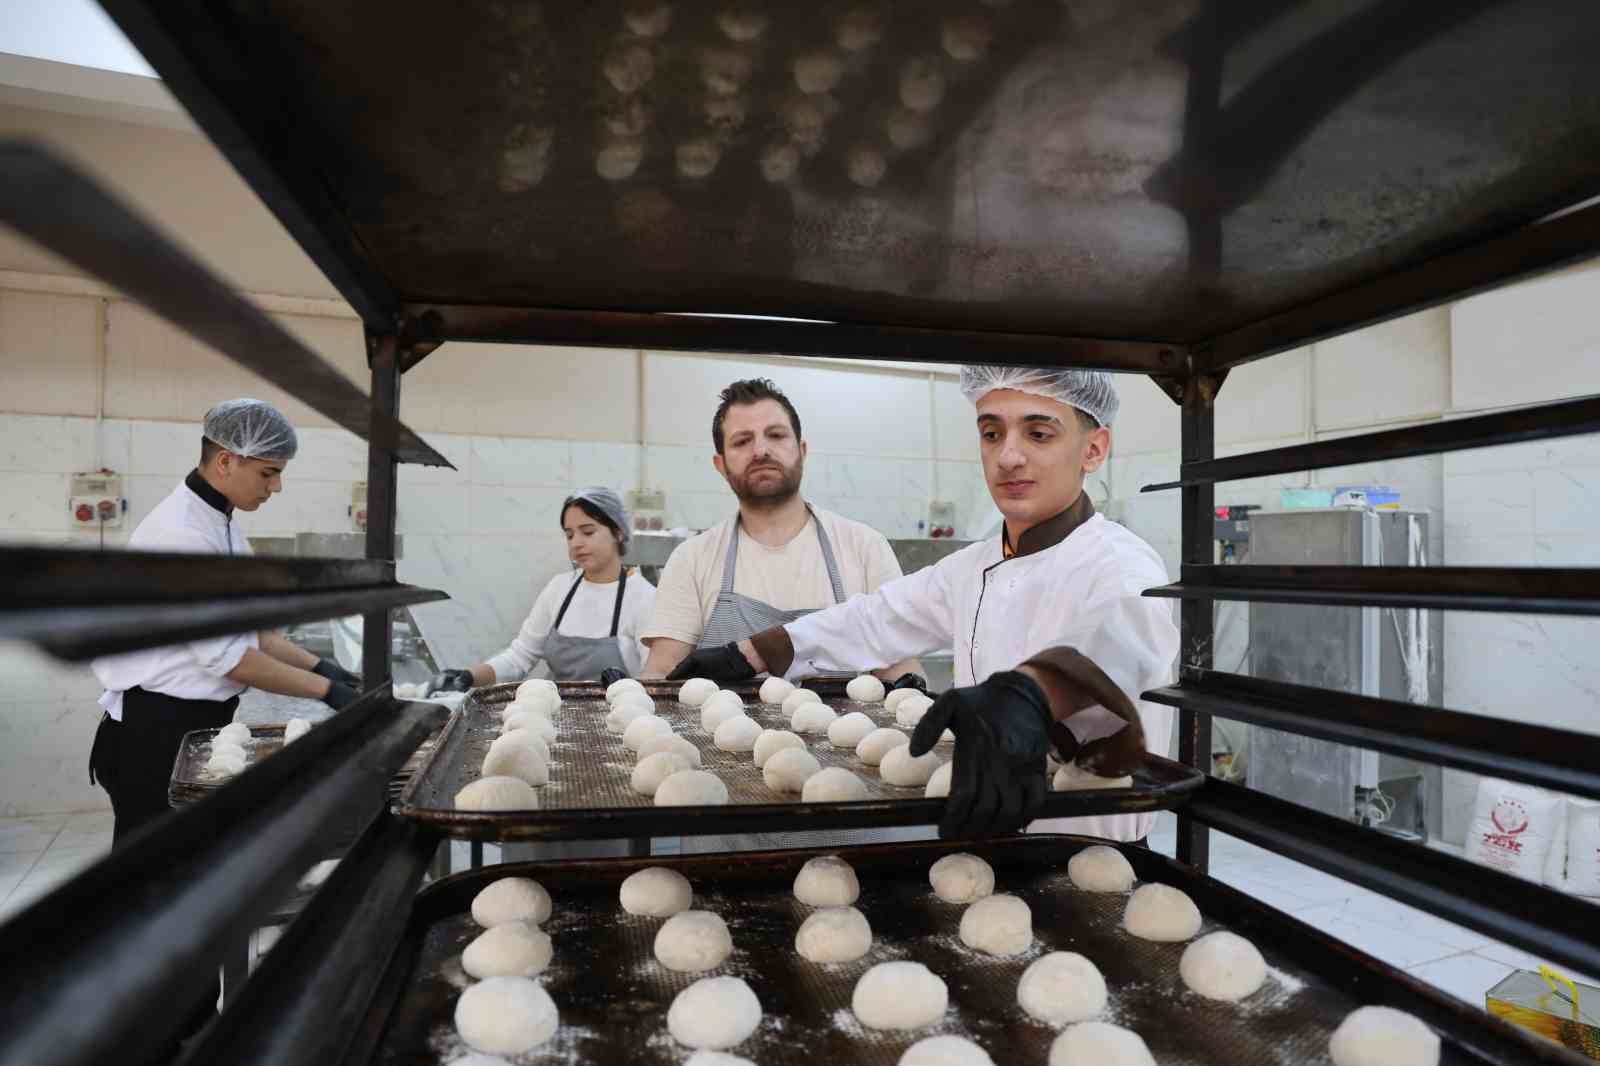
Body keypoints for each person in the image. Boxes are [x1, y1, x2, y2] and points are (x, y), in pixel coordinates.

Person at [671, 366, 1179, 843]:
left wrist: (1031, 694)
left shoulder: (1122, 563)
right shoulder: (975, 565)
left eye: (1038, 433)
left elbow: (1122, 636)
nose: (1008, 457)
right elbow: (878, 616)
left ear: (1094, 449)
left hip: (1090, 856)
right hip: (985, 837)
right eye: (992, 433)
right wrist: (754, 653)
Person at [89, 399, 361, 847]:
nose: (276, 487)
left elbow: (251, 628)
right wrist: (328, 693)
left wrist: (322, 668)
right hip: (155, 732)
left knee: (189, 867)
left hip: (190, 722)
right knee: (152, 884)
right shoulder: (182, 535)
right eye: (268, 473)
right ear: (226, 461)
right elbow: (230, 658)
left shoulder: (220, 523)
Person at [639, 378, 922, 689]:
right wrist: (630, 697)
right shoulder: (692, 559)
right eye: (742, 441)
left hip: (846, 737)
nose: (761, 450)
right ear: (720, 465)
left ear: (801, 450)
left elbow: (899, 663)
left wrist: (913, 696)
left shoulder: (864, 547)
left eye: (775, 435)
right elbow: (663, 674)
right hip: (717, 738)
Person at [430, 487, 657, 688]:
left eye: (588, 532)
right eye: (569, 535)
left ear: (618, 532)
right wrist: (469, 677)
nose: (576, 542)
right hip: (555, 717)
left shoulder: (644, 598)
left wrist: (628, 690)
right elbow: (520, 657)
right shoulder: (560, 588)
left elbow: (654, 678)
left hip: (618, 722)